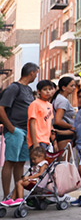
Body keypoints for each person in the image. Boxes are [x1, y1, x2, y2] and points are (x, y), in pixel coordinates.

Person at [0, 63, 37, 198]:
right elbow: (1, 108)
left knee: (21, 162)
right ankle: (6, 196)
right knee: (10, 161)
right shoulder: (14, 88)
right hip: (15, 130)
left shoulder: (28, 89)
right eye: (36, 73)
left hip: (25, 130)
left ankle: (17, 194)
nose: (36, 76)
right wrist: (11, 128)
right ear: (32, 73)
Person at [27, 80, 56, 152]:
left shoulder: (50, 105)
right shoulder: (35, 104)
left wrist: (54, 143)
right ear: (39, 91)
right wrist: (35, 143)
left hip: (46, 141)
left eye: (50, 89)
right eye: (45, 89)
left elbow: (50, 125)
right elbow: (32, 123)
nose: (48, 91)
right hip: (38, 140)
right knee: (38, 163)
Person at [52, 76, 78, 151]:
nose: (74, 88)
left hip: (61, 132)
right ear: (63, 87)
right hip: (64, 133)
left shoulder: (58, 98)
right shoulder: (63, 100)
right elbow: (58, 120)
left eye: (74, 85)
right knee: (63, 160)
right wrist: (72, 127)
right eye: (71, 85)